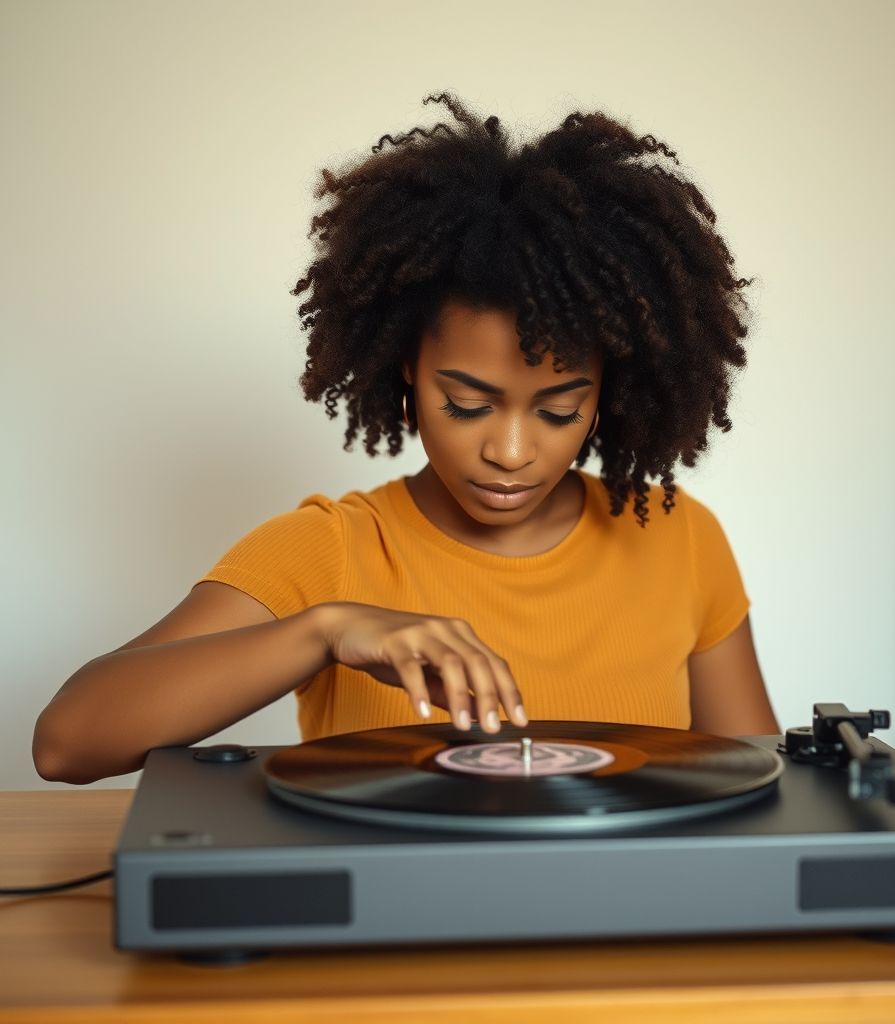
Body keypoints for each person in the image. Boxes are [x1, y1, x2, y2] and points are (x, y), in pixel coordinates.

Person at [33, 92, 779, 786]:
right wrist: (324, 630)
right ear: (405, 374)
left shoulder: (680, 540)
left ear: (610, 395)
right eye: (466, 403)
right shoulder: (330, 551)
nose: (512, 452)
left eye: (557, 412)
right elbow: (66, 743)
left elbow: (759, 785)